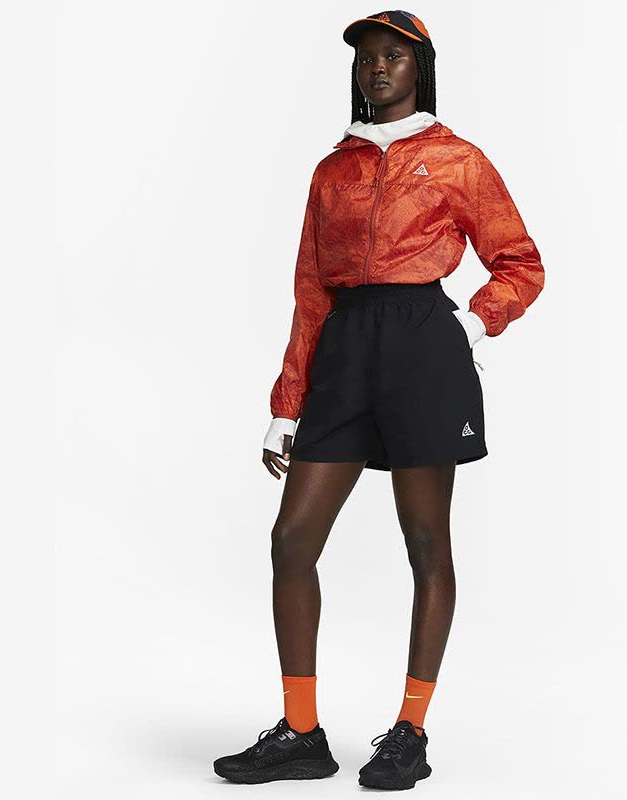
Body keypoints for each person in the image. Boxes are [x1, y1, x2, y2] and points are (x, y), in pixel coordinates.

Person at [213, 9, 544, 791]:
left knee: (426, 542)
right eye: (367, 57)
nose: (378, 67)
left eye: (394, 55)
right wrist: (287, 403)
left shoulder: (458, 159)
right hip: (344, 349)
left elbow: (520, 262)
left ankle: (410, 731)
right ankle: (301, 733)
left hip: (423, 345)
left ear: (419, 67)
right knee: (292, 540)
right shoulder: (333, 170)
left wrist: (472, 324)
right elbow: (309, 291)